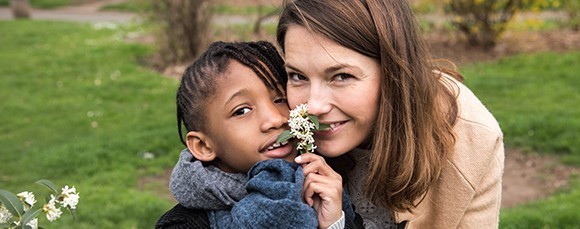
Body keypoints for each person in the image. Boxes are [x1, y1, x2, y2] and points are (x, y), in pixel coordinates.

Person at [276, 0, 505, 228]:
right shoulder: (270, 127)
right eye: (297, 76)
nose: (314, 107)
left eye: (342, 76)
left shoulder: (472, 140)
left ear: (392, 72)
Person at [155, 41, 362, 229]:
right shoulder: (183, 225)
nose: (275, 119)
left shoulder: (325, 188)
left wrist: (335, 223)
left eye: (279, 99)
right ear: (203, 146)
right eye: (242, 111)